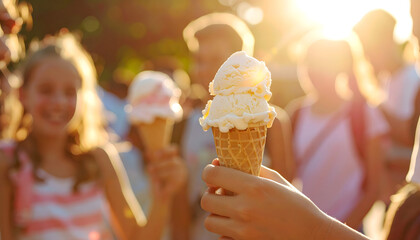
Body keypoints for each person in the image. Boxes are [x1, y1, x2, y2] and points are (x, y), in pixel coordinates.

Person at [0, 32, 187, 240]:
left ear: (84, 98)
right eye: (46, 90)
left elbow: (137, 237)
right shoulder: (8, 161)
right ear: (22, 95)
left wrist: (162, 196)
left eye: (70, 92)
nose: (59, 101)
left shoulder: (99, 159)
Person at [181, 12, 295, 239]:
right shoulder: (182, 125)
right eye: (198, 60)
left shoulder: (271, 122)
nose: (203, 69)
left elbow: (286, 200)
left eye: (215, 60)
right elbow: (179, 212)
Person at [287, 34, 388, 229]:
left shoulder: (365, 114)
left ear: (340, 67)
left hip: (349, 230)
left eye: (322, 64)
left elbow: (374, 188)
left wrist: (340, 230)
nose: (315, 71)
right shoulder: (296, 114)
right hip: (305, 229)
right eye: (310, 63)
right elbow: (288, 177)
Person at [354, 9, 420, 196]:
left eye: (370, 48)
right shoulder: (386, 82)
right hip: (392, 196)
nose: (367, 56)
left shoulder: (413, 79)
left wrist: (374, 106)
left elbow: (410, 135)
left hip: (408, 195)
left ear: (386, 41)